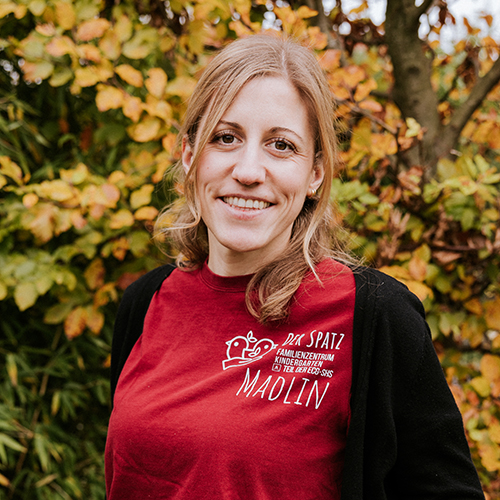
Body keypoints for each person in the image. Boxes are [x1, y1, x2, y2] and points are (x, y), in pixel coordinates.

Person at [105, 34, 485, 499]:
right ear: (189, 155)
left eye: (281, 145)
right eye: (225, 138)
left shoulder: (374, 316)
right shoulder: (145, 303)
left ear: (315, 174)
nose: (248, 171)